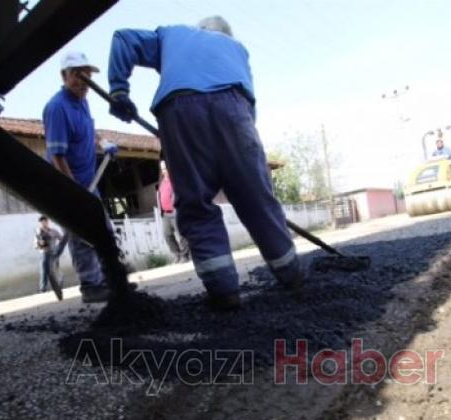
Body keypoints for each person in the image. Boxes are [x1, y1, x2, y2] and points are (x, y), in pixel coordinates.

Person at [107, 16, 303, 310]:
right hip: (234, 109)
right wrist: (236, 164)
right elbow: (249, 110)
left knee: (195, 205)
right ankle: (292, 275)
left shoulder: (173, 35)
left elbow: (124, 39)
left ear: (199, 30)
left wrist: (119, 90)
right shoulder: (237, 49)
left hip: (178, 108)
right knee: (257, 199)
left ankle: (224, 292)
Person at [42, 50, 119, 304]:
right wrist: (74, 192)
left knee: (104, 230)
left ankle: (114, 279)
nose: (83, 80)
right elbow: (57, 155)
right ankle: (91, 286)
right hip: (67, 184)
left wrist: (103, 142)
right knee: (82, 234)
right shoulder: (57, 108)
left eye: (87, 74)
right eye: (77, 74)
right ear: (64, 76)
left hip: (89, 183)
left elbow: (89, 131)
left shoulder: (83, 101)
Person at [157, 161, 190, 263]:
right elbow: (159, 197)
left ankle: (185, 256)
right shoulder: (161, 183)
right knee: (167, 235)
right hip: (165, 214)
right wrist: (161, 211)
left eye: (165, 168)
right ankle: (177, 254)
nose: (164, 171)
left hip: (175, 212)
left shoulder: (175, 180)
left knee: (181, 235)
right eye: (162, 169)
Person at [34, 216, 63, 293]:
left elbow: (62, 239)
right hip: (44, 254)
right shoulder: (38, 233)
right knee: (43, 271)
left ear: (47, 222)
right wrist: (40, 244)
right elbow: (35, 246)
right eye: (41, 222)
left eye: (44, 221)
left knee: (55, 270)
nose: (43, 223)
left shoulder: (53, 231)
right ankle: (43, 289)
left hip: (53, 253)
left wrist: (57, 248)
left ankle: (58, 285)